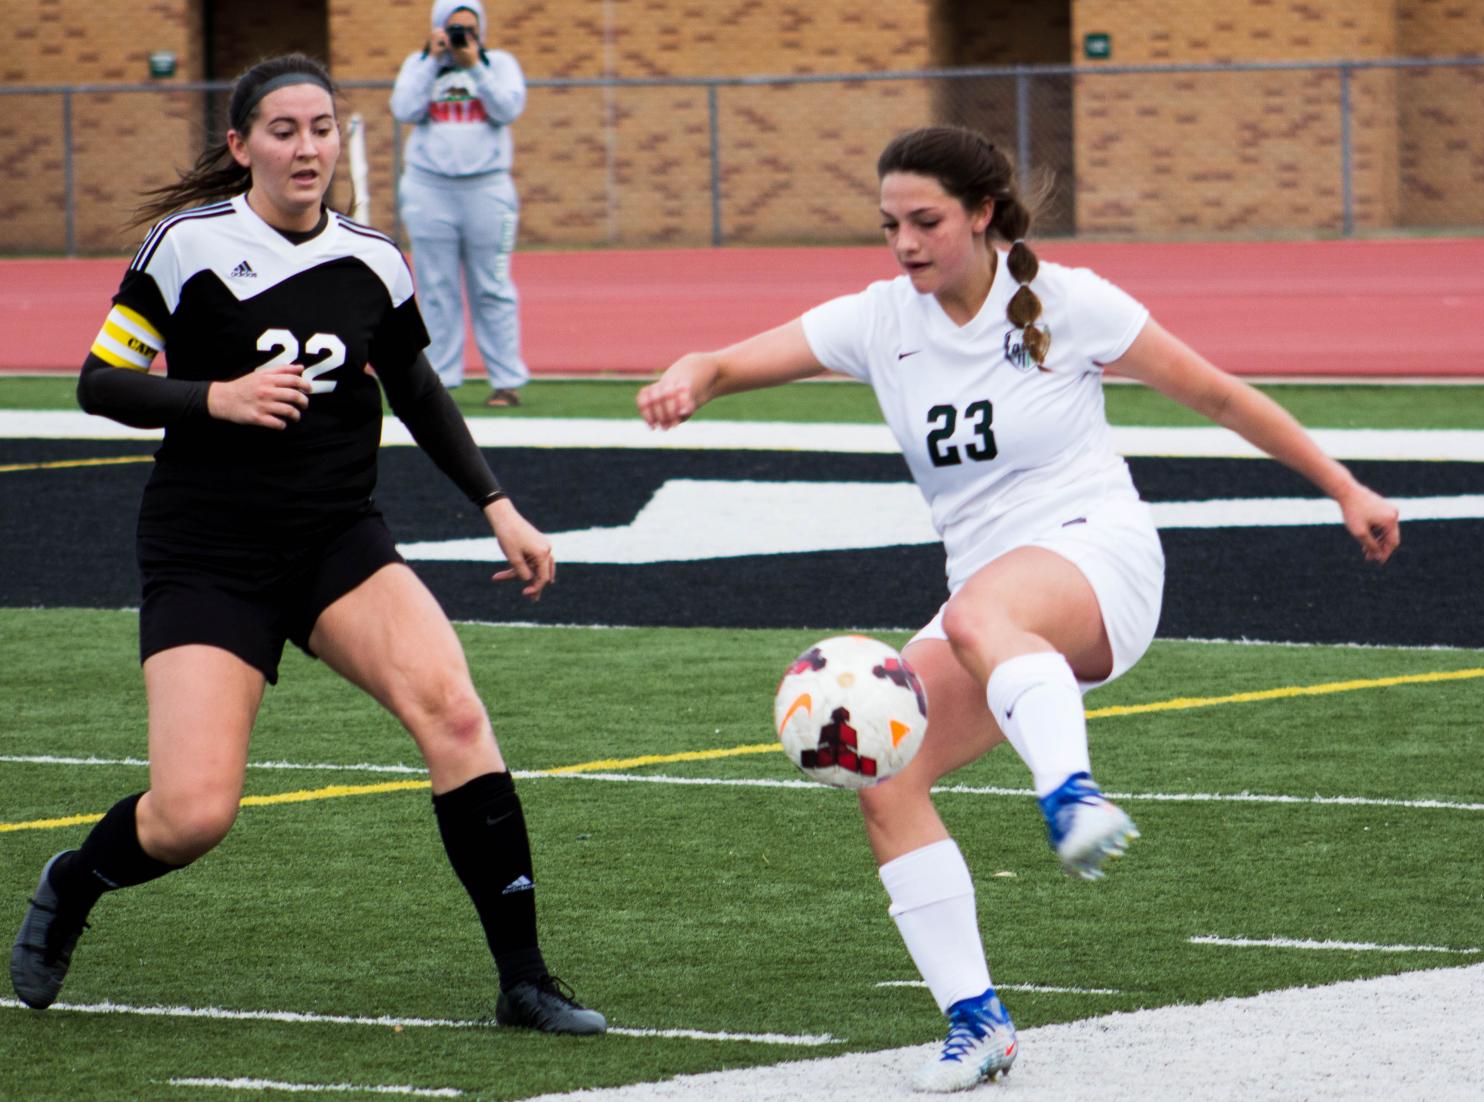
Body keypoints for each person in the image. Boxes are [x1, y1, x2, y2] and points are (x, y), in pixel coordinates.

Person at [637, 125, 1400, 1092]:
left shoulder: (1067, 301)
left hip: (1099, 559)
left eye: (926, 221)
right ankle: (977, 1022)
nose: (905, 243)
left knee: (975, 618)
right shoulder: (882, 320)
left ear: (982, 214)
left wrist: (1344, 487)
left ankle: (1071, 794)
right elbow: (733, 361)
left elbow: (1217, 396)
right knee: (887, 778)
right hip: (991, 597)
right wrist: (693, 375)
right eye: (889, 225)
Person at [9, 53, 604, 1037]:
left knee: (456, 714)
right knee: (193, 812)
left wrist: (496, 503)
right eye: (282, 130)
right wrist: (215, 397)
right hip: (208, 552)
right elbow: (99, 383)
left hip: (337, 539)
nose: (305, 147)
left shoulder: (372, 256)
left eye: (321, 128)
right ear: (241, 145)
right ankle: (75, 881)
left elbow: (416, 388)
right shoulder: (185, 247)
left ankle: (526, 979)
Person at [390, 1, 530, 408]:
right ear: (438, 28)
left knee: (494, 286)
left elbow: (507, 108)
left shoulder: (498, 64)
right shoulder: (419, 65)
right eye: (454, 28)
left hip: (488, 188)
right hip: (428, 188)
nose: (462, 36)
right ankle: (441, 382)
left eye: (470, 28)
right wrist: (432, 60)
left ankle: (506, 381)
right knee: (435, 288)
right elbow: (404, 109)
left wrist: (475, 67)